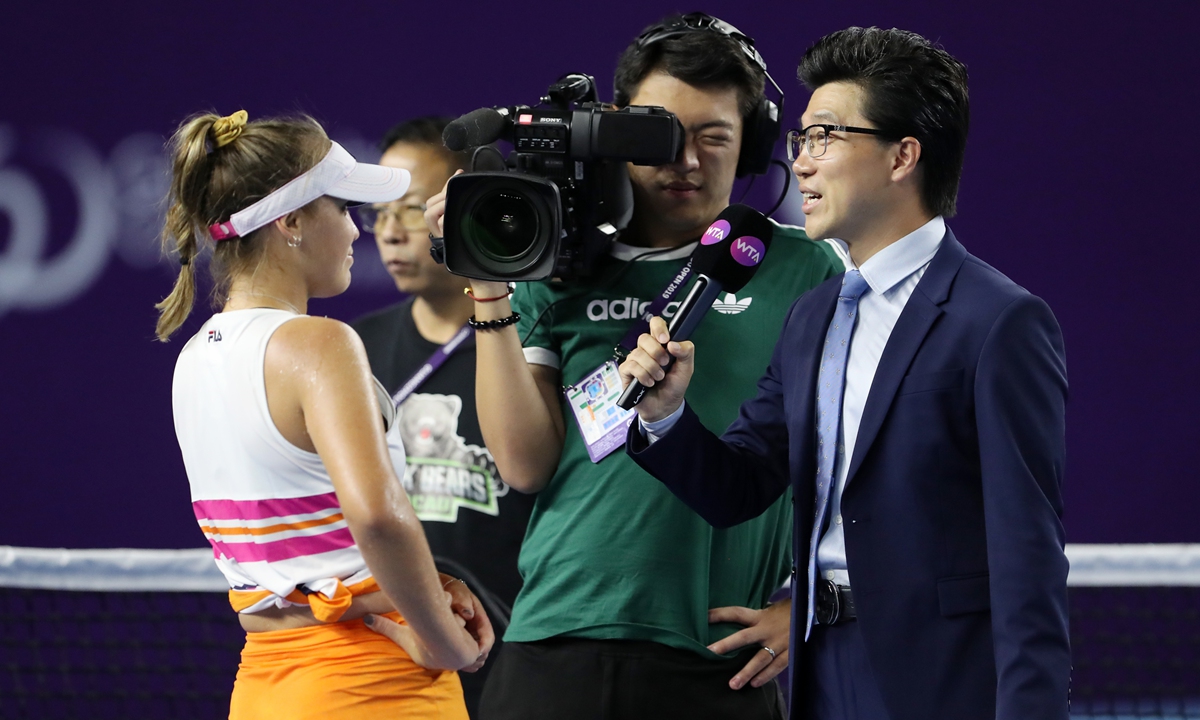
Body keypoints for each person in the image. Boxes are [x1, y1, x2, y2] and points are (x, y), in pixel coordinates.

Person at [622, 26, 1071, 720]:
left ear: (903, 156)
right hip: (819, 672)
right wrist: (666, 416)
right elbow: (740, 486)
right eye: (800, 139)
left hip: (940, 681)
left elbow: (1027, 557)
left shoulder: (1000, 322)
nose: (800, 163)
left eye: (825, 136)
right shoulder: (810, 316)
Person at [426, 13, 844, 719]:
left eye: (714, 137)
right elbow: (524, 464)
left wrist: (813, 600)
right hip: (554, 636)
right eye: (662, 135)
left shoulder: (805, 267)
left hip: (718, 658)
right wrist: (490, 283)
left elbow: (868, 453)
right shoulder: (550, 265)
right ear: (616, 130)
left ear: (753, 146)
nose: (685, 160)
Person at [155, 110, 494, 719]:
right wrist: (446, 642)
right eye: (342, 209)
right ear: (290, 222)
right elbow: (378, 519)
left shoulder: (195, 359)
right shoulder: (320, 344)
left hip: (265, 689)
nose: (358, 231)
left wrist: (426, 588)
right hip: (374, 688)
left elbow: (309, 551)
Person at [351, 116, 537, 718]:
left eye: (410, 208)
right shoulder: (351, 351)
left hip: (521, 659)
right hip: (397, 662)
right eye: (379, 212)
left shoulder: (532, 341)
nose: (390, 231)